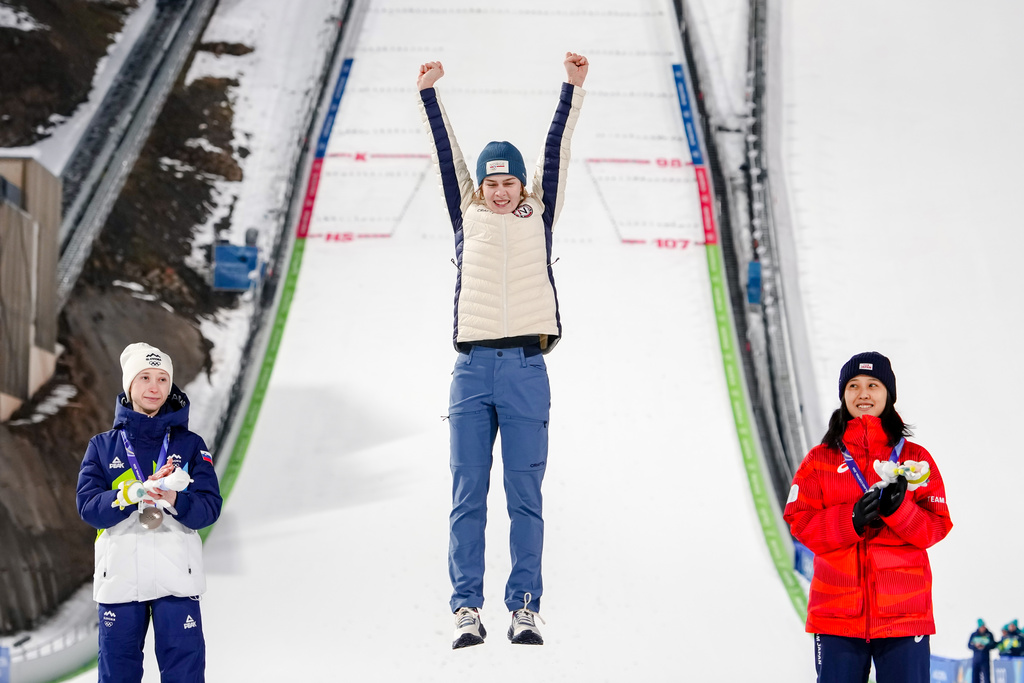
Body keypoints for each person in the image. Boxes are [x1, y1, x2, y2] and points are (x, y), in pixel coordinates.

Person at [416, 52, 588, 649]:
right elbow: (447, 155)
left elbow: (555, 152)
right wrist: (429, 96)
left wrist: (571, 90)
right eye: (490, 182)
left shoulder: (538, 214)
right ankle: (467, 606)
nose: (496, 189)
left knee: (524, 494)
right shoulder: (466, 212)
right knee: (468, 494)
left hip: (525, 369)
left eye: (506, 181)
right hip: (471, 371)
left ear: (520, 184)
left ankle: (524, 607)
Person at [783, 351, 952, 683]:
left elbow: (936, 526)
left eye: (873, 385)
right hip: (836, 615)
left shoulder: (915, 459)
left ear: (888, 394)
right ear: (843, 395)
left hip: (904, 615)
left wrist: (899, 511)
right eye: (853, 386)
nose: (863, 394)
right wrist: (852, 520)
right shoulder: (820, 460)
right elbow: (800, 523)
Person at [76, 343, 222, 682]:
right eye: (144, 377)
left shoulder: (191, 445)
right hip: (121, 582)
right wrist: (134, 492)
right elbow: (89, 508)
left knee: (185, 673)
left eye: (162, 379)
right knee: (117, 674)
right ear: (129, 385)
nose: (154, 387)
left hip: (177, 580)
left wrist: (174, 497)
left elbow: (209, 508)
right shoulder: (102, 447)